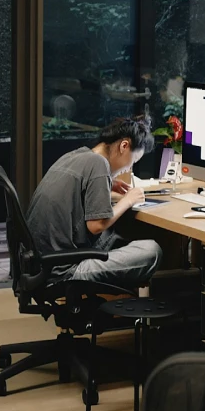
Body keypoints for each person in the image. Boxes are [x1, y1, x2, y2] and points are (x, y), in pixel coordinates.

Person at [26, 115, 162, 288]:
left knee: (119, 235)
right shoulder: (99, 164)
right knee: (152, 251)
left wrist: (107, 184)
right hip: (64, 271)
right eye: (133, 161)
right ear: (124, 146)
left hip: (40, 265)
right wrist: (128, 200)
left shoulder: (77, 155)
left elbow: (75, 193)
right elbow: (96, 225)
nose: (129, 168)